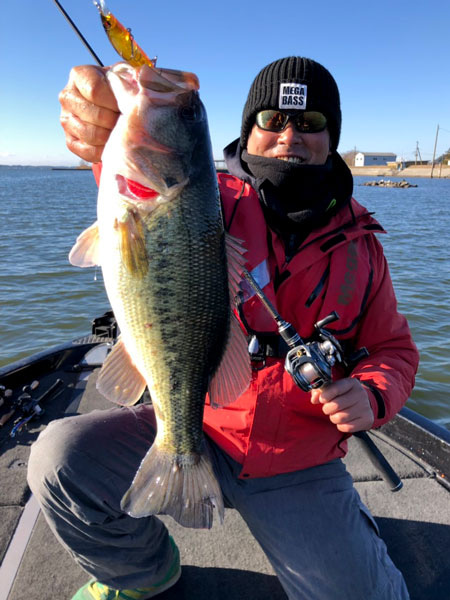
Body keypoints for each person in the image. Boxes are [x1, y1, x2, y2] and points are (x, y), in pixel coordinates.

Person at [28, 57, 419, 600]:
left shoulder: (363, 245)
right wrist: (103, 123)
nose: (289, 136)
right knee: (59, 457)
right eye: (272, 119)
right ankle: (144, 574)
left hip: (297, 460)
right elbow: (134, 177)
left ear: (331, 138)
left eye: (309, 123)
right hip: (203, 422)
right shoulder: (208, 197)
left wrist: (372, 394)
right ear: (247, 131)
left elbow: (394, 349)